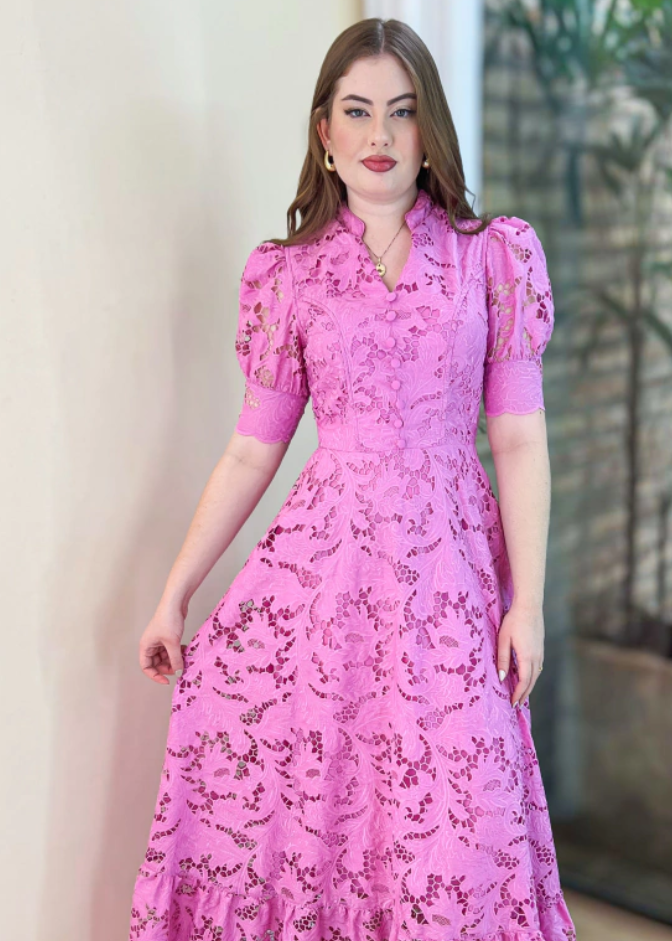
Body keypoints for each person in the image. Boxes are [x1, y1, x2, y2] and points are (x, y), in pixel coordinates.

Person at [129, 16, 576, 941]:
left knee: (454, 828)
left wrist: (528, 602)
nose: (381, 135)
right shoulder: (287, 275)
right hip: (323, 587)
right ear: (324, 132)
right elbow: (252, 449)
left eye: (402, 112)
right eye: (359, 111)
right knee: (323, 823)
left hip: (450, 586)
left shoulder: (490, 256)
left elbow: (519, 438)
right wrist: (177, 591)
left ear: (429, 130)